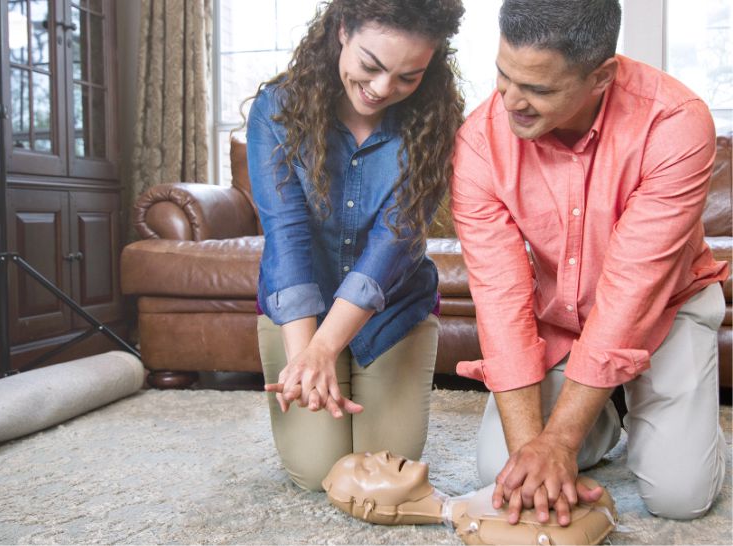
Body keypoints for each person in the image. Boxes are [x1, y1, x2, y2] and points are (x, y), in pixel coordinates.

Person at [450, 0, 728, 526]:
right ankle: (607, 413)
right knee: (501, 470)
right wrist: (534, 453)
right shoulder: (480, 142)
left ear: (601, 76)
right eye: (504, 75)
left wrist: (560, 441)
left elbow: (632, 293)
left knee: (679, 496)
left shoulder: (674, 123)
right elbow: (501, 301)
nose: (510, 101)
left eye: (537, 88)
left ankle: (663, 414)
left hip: (666, 307)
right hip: (563, 318)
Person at [246, 0, 465, 491]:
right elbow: (286, 235)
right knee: (315, 472)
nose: (383, 88)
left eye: (408, 76)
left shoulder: (435, 122)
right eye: (371, 65)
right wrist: (306, 358)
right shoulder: (276, 109)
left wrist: (329, 346)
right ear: (343, 29)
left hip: (392, 310)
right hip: (300, 312)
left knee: (381, 470)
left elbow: (394, 242)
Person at [322, 451, 618, 545]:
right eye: (367, 467)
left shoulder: (474, 513)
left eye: (370, 453)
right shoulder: (477, 527)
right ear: (369, 508)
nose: (383, 454)